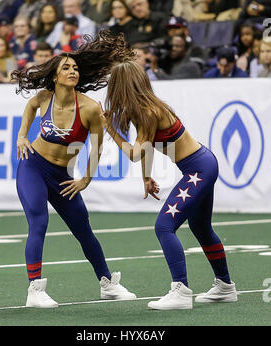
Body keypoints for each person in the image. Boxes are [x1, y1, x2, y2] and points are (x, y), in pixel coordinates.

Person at [10, 30, 137, 308]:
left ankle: (107, 284)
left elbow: (97, 148)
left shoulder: (90, 108)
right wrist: (21, 136)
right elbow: (30, 107)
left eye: (75, 68)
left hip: (63, 178)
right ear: (55, 75)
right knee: (38, 223)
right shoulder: (45, 97)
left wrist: (86, 179)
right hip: (33, 167)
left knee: (83, 230)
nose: (72, 71)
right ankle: (35, 290)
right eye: (66, 67)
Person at [99, 58, 237, 310]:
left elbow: (134, 152)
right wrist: (145, 177)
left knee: (164, 226)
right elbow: (147, 148)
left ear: (123, 88)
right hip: (202, 165)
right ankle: (225, 286)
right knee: (202, 229)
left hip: (198, 169)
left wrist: (109, 127)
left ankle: (180, 291)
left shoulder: (148, 112)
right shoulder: (145, 108)